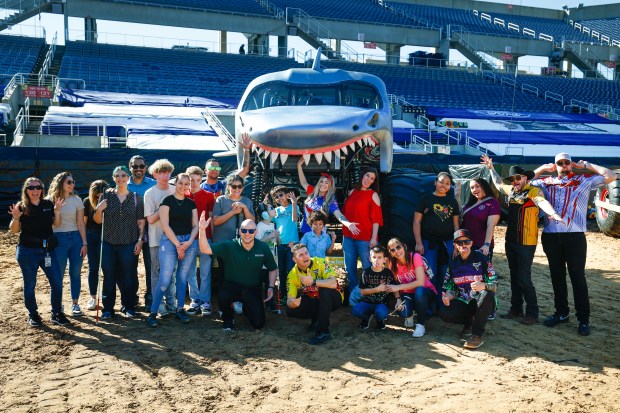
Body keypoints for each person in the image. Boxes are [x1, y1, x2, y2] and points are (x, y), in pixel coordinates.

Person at [531, 153, 617, 336]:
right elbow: (522, 182)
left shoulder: (584, 180)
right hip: (551, 236)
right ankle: (561, 313)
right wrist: (542, 169)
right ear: (556, 166)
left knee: (577, 277)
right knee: (557, 276)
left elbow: (611, 175)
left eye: (566, 163)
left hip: (575, 236)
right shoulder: (546, 181)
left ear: (571, 165)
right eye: (559, 163)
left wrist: (588, 164)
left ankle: (583, 318)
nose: (563, 165)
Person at [482, 156, 563, 325]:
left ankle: (532, 312)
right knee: (514, 275)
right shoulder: (511, 190)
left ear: (525, 177)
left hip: (527, 242)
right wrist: (491, 168)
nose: (515, 181)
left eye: (517, 178)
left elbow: (542, 202)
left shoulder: (534, 191)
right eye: (512, 179)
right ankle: (516, 309)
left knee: (524, 277)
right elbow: (497, 183)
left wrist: (553, 213)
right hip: (511, 240)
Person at [198, 214, 278, 331]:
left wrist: (270, 287)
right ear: (239, 231)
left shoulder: (263, 247)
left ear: (255, 232)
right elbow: (205, 249)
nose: (247, 233)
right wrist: (201, 230)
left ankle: (247, 308)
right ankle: (228, 319)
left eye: (251, 231)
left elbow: (273, 268)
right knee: (223, 295)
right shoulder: (230, 245)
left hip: (252, 288)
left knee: (258, 324)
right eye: (244, 230)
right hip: (232, 286)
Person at [9, 177, 69, 326]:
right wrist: (16, 218)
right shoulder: (21, 207)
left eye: (38, 187)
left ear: (42, 190)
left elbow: (56, 223)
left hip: (48, 251)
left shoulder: (48, 204)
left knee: (56, 282)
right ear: (26, 190)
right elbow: (14, 230)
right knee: (30, 284)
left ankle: (56, 313)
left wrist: (57, 211)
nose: (35, 190)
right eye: (31, 188)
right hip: (28, 251)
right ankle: (33, 314)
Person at [146, 173, 199, 327]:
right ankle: (153, 313)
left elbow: (195, 225)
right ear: (175, 183)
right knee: (165, 278)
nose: (183, 186)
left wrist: (188, 242)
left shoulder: (191, 203)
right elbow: (165, 225)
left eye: (186, 184)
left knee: (182, 276)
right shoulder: (166, 201)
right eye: (180, 183)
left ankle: (180, 309)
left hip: (188, 241)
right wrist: (177, 244)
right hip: (169, 241)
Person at [94, 166, 145, 319]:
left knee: (129, 276)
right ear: (113, 178)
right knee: (109, 276)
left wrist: (140, 240)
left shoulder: (136, 198)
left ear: (128, 177)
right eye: (117, 176)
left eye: (123, 175)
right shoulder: (106, 196)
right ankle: (108, 309)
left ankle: (128, 306)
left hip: (129, 242)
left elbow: (141, 222)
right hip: (109, 243)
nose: (120, 178)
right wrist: (98, 209)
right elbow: (97, 221)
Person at [440, 229, 497, 350]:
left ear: (471, 243)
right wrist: (449, 296)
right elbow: (451, 289)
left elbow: (495, 285)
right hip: (465, 301)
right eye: (459, 243)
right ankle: (469, 323)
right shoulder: (453, 264)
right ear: (455, 245)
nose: (463, 245)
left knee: (487, 294)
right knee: (444, 312)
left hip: (482, 301)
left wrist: (483, 286)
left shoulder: (482, 259)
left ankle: (477, 335)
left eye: (466, 242)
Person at [413, 171, 460, 308]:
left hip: (448, 243)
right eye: (441, 181)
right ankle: (429, 307)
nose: (443, 185)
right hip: (429, 243)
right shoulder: (425, 199)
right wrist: (418, 242)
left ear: (450, 186)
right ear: (435, 182)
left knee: (445, 274)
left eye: (447, 183)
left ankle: (442, 305)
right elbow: (416, 222)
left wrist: (456, 245)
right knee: (430, 273)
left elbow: (456, 224)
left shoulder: (452, 201)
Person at [47, 172, 88, 316]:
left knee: (75, 273)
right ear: (61, 183)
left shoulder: (76, 199)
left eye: (73, 182)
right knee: (58, 274)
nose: (72, 185)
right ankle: (58, 305)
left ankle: (75, 304)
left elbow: (81, 223)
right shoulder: (49, 200)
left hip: (76, 238)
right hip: (58, 239)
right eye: (68, 182)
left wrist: (84, 243)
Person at [286, 243, 344, 345]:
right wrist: (292, 302)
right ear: (294, 260)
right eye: (301, 255)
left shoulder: (321, 262)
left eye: (306, 253)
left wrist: (313, 282)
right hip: (315, 299)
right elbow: (289, 299)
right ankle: (317, 319)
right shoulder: (293, 274)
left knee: (324, 290)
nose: (305, 256)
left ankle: (323, 331)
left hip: (334, 298)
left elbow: (333, 283)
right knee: (290, 310)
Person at [341, 168, 383, 295]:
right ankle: (355, 294)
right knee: (350, 268)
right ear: (362, 176)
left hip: (365, 238)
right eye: (367, 176)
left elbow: (376, 219)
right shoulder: (352, 192)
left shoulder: (373, 195)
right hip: (348, 237)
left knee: (367, 268)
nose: (368, 180)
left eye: (372, 179)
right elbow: (344, 213)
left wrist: (374, 238)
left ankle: (370, 294)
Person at [143, 159, 176, 316]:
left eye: (168, 172)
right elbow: (150, 219)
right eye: (162, 172)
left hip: (175, 239)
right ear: (155, 175)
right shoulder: (150, 193)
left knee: (172, 273)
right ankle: (159, 304)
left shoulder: (176, 190)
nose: (165, 175)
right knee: (156, 273)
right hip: (156, 239)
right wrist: (164, 206)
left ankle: (171, 303)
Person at [385, 237, 436, 338]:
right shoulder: (391, 264)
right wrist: (398, 299)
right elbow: (394, 284)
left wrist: (399, 287)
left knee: (419, 291)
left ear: (404, 246)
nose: (396, 251)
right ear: (390, 253)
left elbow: (420, 282)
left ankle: (421, 324)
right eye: (392, 250)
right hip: (407, 293)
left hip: (425, 291)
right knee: (403, 312)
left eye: (398, 247)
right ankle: (410, 314)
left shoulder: (415, 257)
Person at [297, 157, 359, 236]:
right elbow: (303, 182)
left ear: (330, 186)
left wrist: (348, 224)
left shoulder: (330, 200)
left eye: (326, 183)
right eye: (321, 181)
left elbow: (339, 215)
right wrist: (299, 166)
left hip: (318, 234)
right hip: (304, 232)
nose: (323, 184)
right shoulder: (313, 192)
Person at [184, 166, 216, 317]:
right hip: (188, 239)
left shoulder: (209, 196)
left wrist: (212, 238)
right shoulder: (182, 195)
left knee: (205, 272)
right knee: (190, 272)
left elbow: (212, 218)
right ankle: (194, 300)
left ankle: (205, 301)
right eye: (191, 180)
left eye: (198, 180)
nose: (194, 183)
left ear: (201, 179)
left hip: (205, 239)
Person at [127, 155, 156, 307]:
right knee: (130, 265)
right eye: (135, 166)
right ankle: (133, 295)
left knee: (150, 265)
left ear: (146, 166)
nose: (139, 169)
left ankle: (150, 295)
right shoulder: (123, 184)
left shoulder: (154, 184)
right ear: (130, 167)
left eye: (141, 166)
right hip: (130, 231)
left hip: (151, 230)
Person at [264, 186, 299, 303]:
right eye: (276, 197)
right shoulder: (276, 211)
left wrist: (294, 203)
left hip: (292, 244)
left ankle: (291, 295)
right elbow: (268, 221)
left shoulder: (294, 207)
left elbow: (295, 219)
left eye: (281, 195)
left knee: (290, 270)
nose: (279, 198)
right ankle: (283, 296)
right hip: (279, 244)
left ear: (287, 195)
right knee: (282, 272)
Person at [351, 245, 398, 331]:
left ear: (385, 259)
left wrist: (398, 299)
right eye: (374, 257)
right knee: (355, 310)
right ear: (370, 259)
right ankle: (366, 317)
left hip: (381, 302)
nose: (376, 260)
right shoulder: (366, 272)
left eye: (379, 257)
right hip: (367, 301)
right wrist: (377, 289)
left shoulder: (388, 273)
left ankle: (380, 321)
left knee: (382, 313)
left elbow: (394, 287)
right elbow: (362, 291)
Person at [83, 179, 109, 311]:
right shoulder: (87, 201)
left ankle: (106, 298)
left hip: (107, 236)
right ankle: (93, 297)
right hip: (92, 235)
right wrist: (84, 241)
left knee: (108, 268)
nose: (99, 198)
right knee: (93, 268)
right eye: (96, 196)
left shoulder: (111, 200)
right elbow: (84, 223)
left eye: (101, 196)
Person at [460, 178, 500, 259]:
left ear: (484, 186)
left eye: (477, 186)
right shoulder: (471, 203)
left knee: (480, 271)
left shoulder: (492, 202)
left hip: (480, 245)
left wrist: (486, 245)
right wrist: (457, 196)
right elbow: (460, 217)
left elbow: (491, 225)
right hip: (465, 244)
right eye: (472, 187)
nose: (474, 189)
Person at [212, 174, 255, 243]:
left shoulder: (247, 201)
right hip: (221, 242)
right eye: (234, 186)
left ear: (243, 187)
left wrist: (244, 208)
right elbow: (216, 222)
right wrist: (233, 212)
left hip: (241, 243)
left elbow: (252, 222)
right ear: (228, 187)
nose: (237, 189)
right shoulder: (221, 200)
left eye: (239, 186)